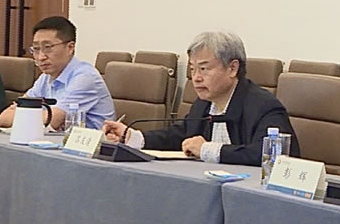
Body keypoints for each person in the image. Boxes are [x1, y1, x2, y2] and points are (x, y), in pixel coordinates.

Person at [103, 31, 299, 165]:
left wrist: (208, 150)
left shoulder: (264, 106)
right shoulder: (204, 103)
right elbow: (179, 136)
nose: (196, 77)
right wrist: (133, 137)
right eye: (192, 69)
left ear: (232, 68)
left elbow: (270, 155)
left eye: (204, 69)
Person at [0, 16, 114, 130]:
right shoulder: (45, 78)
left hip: (89, 142)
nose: (41, 57)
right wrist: (37, 116)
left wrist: (26, 116)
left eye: (48, 47)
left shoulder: (85, 77)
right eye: (36, 49)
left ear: (70, 47)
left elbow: (51, 121)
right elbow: (3, 118)